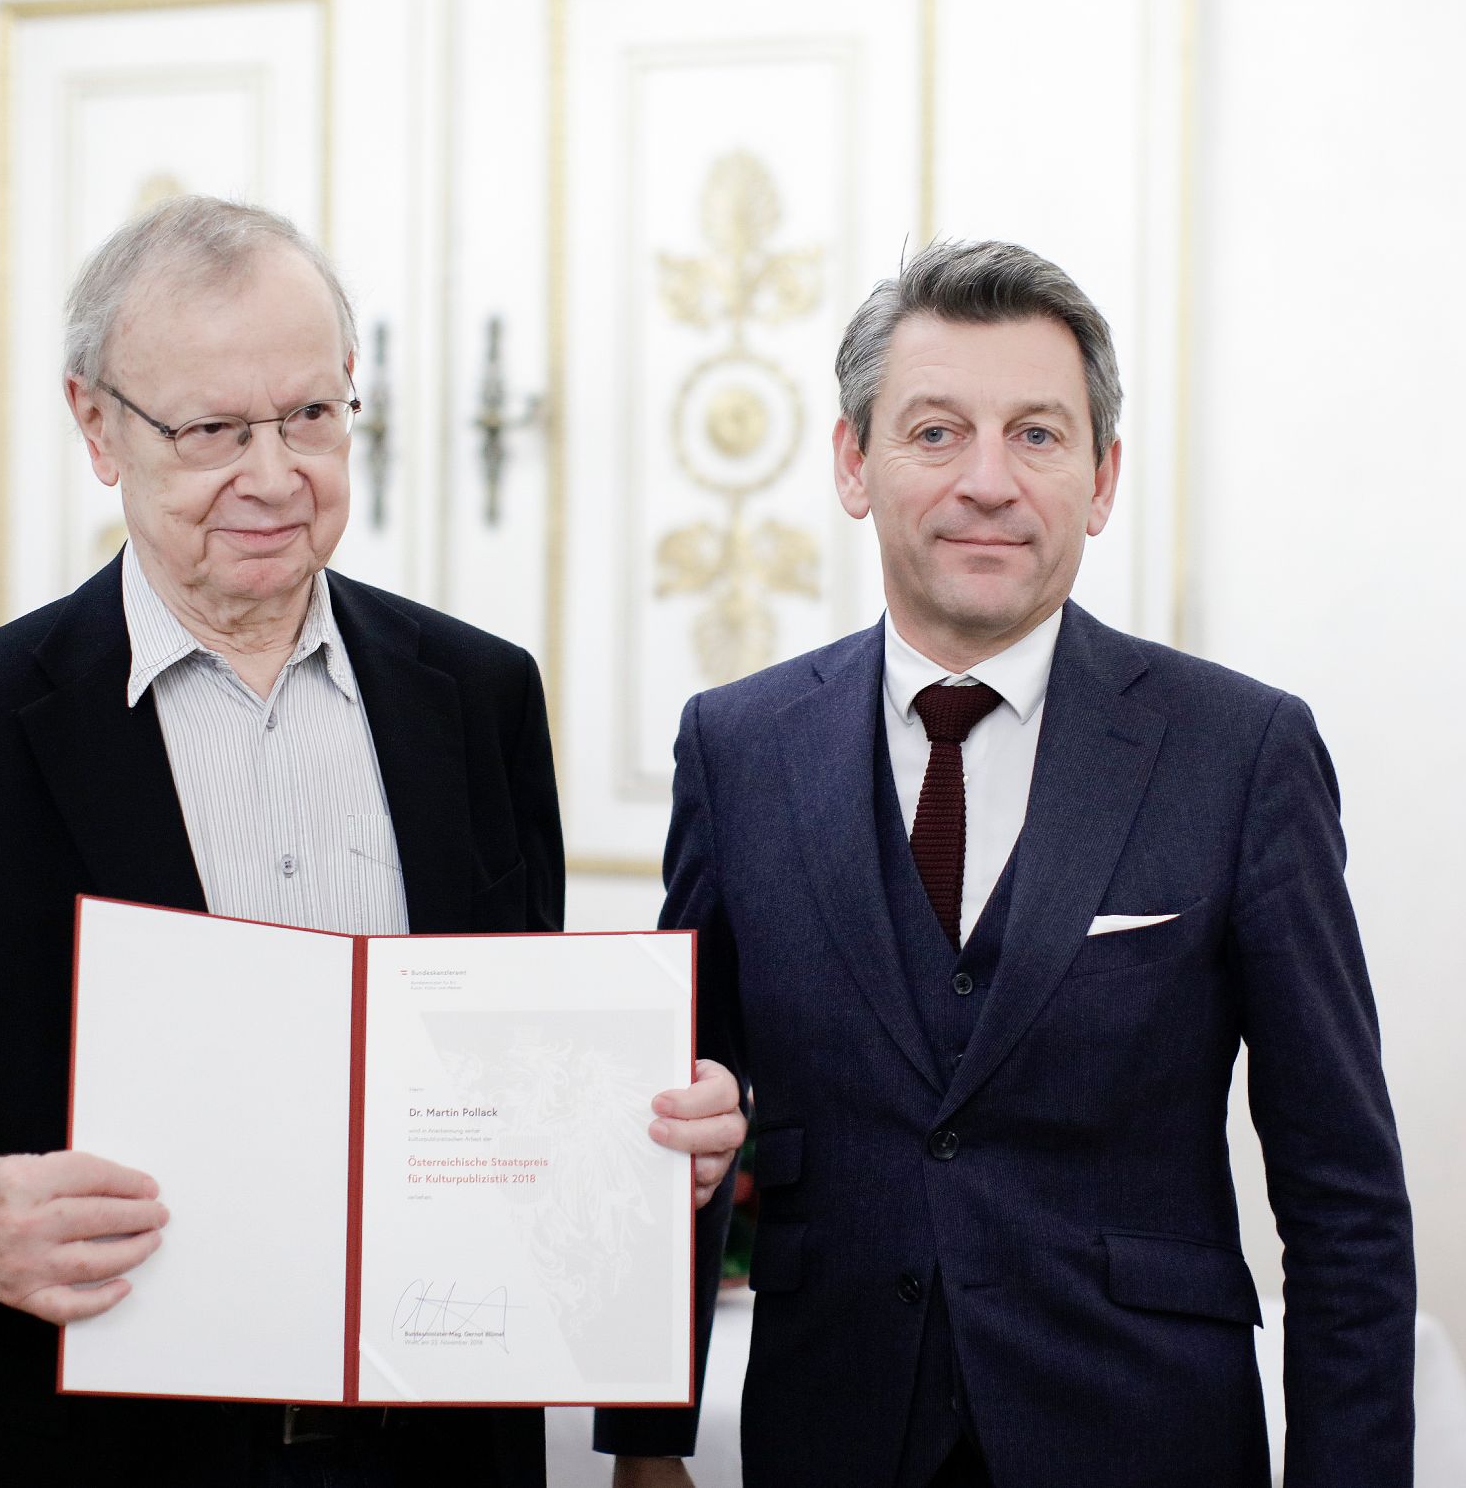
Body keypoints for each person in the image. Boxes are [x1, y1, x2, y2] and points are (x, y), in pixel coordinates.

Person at [0, 195, 744, 1488]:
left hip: (442, 1457)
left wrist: (647, 1140)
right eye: (215, 430)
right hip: (97, 1457)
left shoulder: (481, 696)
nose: (277, 473)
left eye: (311, 414)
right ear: (95, 423)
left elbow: (521, 1074)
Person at [598, 241, 1416, 1487]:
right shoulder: (736, 747)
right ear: (850, 463)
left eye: (1035, 435)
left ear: (1099, 478)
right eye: (935, 432)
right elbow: (680, 1117)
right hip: (832, 1431)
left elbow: (1342, 1195)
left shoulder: (1240, 751)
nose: (987, 480)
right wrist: (645, 1442)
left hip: (1144, 1435)